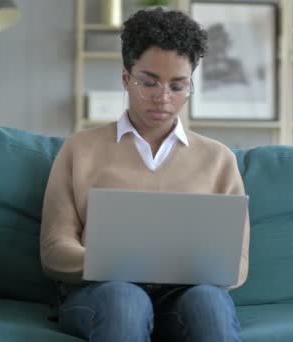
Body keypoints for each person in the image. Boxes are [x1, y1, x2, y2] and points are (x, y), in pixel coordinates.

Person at [40, 7, 250, 342]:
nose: (163, 98)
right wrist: (115, 262)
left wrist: (165, 265)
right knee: (126, 300)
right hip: (101, 294)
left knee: (210, 303)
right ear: (126, 77)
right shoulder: (79, 150)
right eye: (149, 82)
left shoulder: (218, 160)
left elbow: (235, 265)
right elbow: (54, 249)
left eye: (178, 86)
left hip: (181, 297)